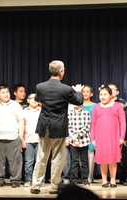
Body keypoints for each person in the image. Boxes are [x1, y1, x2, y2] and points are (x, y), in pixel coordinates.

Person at [30, 60, 83, 194]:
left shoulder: (40, 86)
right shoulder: (66, 89)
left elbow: (37, 100)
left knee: (41, 156)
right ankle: (54, 187)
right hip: (58, 126)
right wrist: (78, 91)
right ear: (61, 71)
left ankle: (36, 185)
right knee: (58, 158)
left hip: (44, 126)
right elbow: (79, 101)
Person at [0, 84, 25, 188]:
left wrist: (20, 136)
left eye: (7, 92)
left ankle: (15, 180)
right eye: (3, 92)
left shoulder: (15, 105)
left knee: (15, 161)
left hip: (13, 138)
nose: (6, 94)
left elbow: (21, 121)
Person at [90, 85, 126, 188]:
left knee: (113, 160)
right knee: (103, 160)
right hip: (100, 138)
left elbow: (122, 123)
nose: (102, 96)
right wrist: (93, 139)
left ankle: (113, 180)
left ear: (110, 95)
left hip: (114, 137)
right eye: (101, 94)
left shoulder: (118, 106)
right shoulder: (96, 107)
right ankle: (104, 180)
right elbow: (93, 124)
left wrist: (121, 137)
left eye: (105, 94)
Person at [67, 104, 90, 184]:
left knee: (84, 161)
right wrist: (73, 137)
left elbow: (87, 127)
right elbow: (68, 127)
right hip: (73, 141)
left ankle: (85, 179)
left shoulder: (86, 113)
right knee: (74, 161)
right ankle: (74, 179)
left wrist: (77, 136)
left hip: (84, 140)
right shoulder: (69, 113)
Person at [23, 93, 41, 187]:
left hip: (40, 140)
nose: (34, 100)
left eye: (36, 98)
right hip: (28, 140)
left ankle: (38, 180)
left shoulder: (41, 111)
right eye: (32, 98)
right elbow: (22, 127)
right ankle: (28, 180)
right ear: (28, 100)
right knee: (29, 162)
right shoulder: (24, 111)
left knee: (39, 162)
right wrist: (22, 140)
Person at [82, 85, 96, 183]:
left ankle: (89, 176)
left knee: (90, 154)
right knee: (80, 156)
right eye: (83, 91)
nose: (85, 93)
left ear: (91, 94)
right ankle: (81, 176)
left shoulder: (95, 106)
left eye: (87, 91)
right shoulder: (77, 105)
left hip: (91, 132)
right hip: (79, 133)